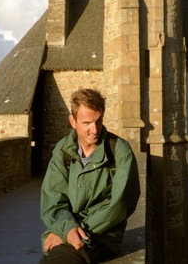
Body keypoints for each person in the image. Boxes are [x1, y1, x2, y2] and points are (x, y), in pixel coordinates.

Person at [39, 88, 141, 263]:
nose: (94, 130)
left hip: (103, 235)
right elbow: (53, 200)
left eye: (98, 121)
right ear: (73, 121)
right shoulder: (62, 151)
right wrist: (67, 228)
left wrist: (71, 232)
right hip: (71, 230)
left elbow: (121, 204)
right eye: (86, 123)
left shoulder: (119, 151)